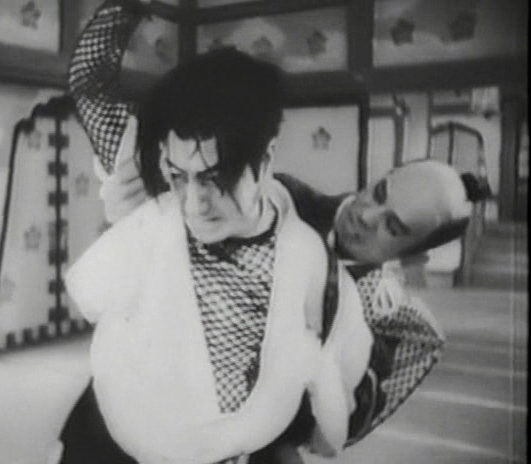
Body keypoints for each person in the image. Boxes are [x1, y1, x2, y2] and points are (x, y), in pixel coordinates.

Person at [57, 1, 488, 462]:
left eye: (393, 226)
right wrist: (135, 204)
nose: (367, 216)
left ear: (414, 256)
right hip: (125, 417)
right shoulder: (262, 194)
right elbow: (94, 87)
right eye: (379, 192)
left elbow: (330, 429)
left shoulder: (379, 314)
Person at [64, 29, 374, 464]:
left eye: (216, 179)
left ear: (266, 159)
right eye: (179, 177)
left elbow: (341, 366)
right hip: (122, 442)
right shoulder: (155, 222)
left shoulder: (307, 259)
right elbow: (93, 296)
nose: (194, 204)